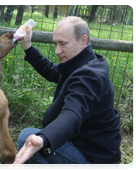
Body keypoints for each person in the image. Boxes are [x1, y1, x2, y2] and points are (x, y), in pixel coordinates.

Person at [9, 16, 121, 169]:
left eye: (63, 44)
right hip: (85, 148)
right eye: (55, 43)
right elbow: (52, 72)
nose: (57, 51)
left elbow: (73, 114)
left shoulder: (89, 76)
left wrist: (43, 139)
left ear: (83, 40)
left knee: (26, 136)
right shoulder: (80, 62)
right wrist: (28, 47)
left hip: (97, 162)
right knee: (30, 137)